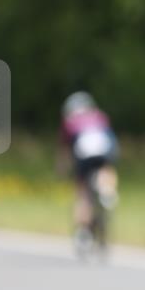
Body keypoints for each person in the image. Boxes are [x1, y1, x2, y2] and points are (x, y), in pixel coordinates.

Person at [58, 91, 118, 240]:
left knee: (82, 192)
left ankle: (83, 231)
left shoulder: (69, 122)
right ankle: (107, 191)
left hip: (84, 151)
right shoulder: (99, 115)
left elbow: (65, 151)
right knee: (107, 169)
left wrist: (62, 169)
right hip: (104, 146)